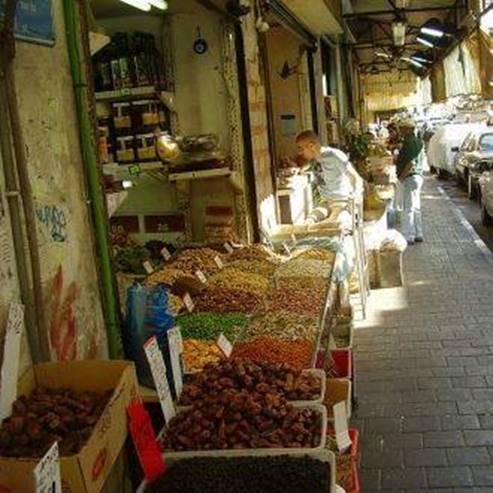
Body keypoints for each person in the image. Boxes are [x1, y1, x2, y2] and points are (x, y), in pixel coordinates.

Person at [296, 130, 362, 223]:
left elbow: (355, 177)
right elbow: (304, 168)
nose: (300, 152)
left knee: (333, 224)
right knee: (309, 222)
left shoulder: (334, 156)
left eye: (301, 149)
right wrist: (296, 169)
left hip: (342, 202)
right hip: (326, 203)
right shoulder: (314, 159)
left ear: (311, 146)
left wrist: (355, 198)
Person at [396, 117, 425, 245]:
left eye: (402, 128)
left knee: (408, 208)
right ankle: (418, 233)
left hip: (410, 177)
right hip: (417, 177)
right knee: (415, 207)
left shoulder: (409, 142)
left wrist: (401, 178)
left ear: (408, 129)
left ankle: (409, 236)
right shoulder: (417, 141)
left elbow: (410, 163)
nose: (400, 130)